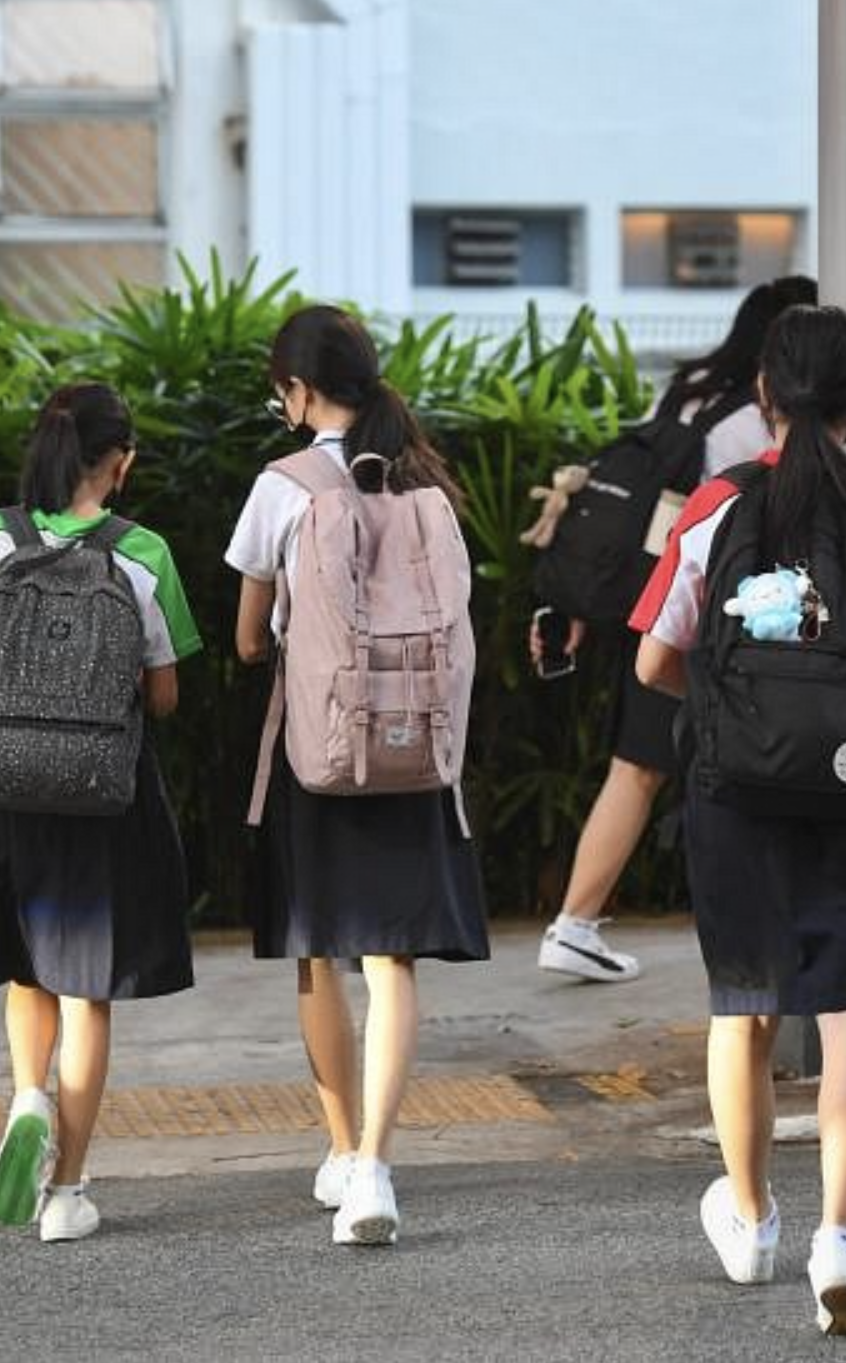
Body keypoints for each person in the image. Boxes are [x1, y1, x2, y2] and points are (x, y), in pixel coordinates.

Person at [631, 305, 846, 1335]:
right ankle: (839, 1235)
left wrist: (739, 701)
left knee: (743, 1000)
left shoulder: (714, 506)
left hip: (736, 793)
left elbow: (654, 659)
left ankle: (748, 1219)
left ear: (762, 396)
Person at [225, 304, 490, 1246]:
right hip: (417, 753)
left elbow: (252, 638)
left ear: (297, 393)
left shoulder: (284, 487)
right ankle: (378, 1162)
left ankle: (341, 1149)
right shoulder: (422, 481)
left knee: (319, 953)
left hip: (322, 748)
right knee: (393, 960)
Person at [0, 383, 199, 1243]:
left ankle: (26, 1097)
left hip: (7, 788)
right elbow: (163, 697)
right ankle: (69, 1193)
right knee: (88, 994)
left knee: (28, 974)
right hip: (100, 794)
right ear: (119, 462)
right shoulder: (144, 552)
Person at [532, 274, 816, 985]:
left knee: (637, 768)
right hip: (730, 621)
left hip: (660, 607)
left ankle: (574, 924)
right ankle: (773, 928)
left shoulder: (689, 390)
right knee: (761, 770)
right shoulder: (756, 418)